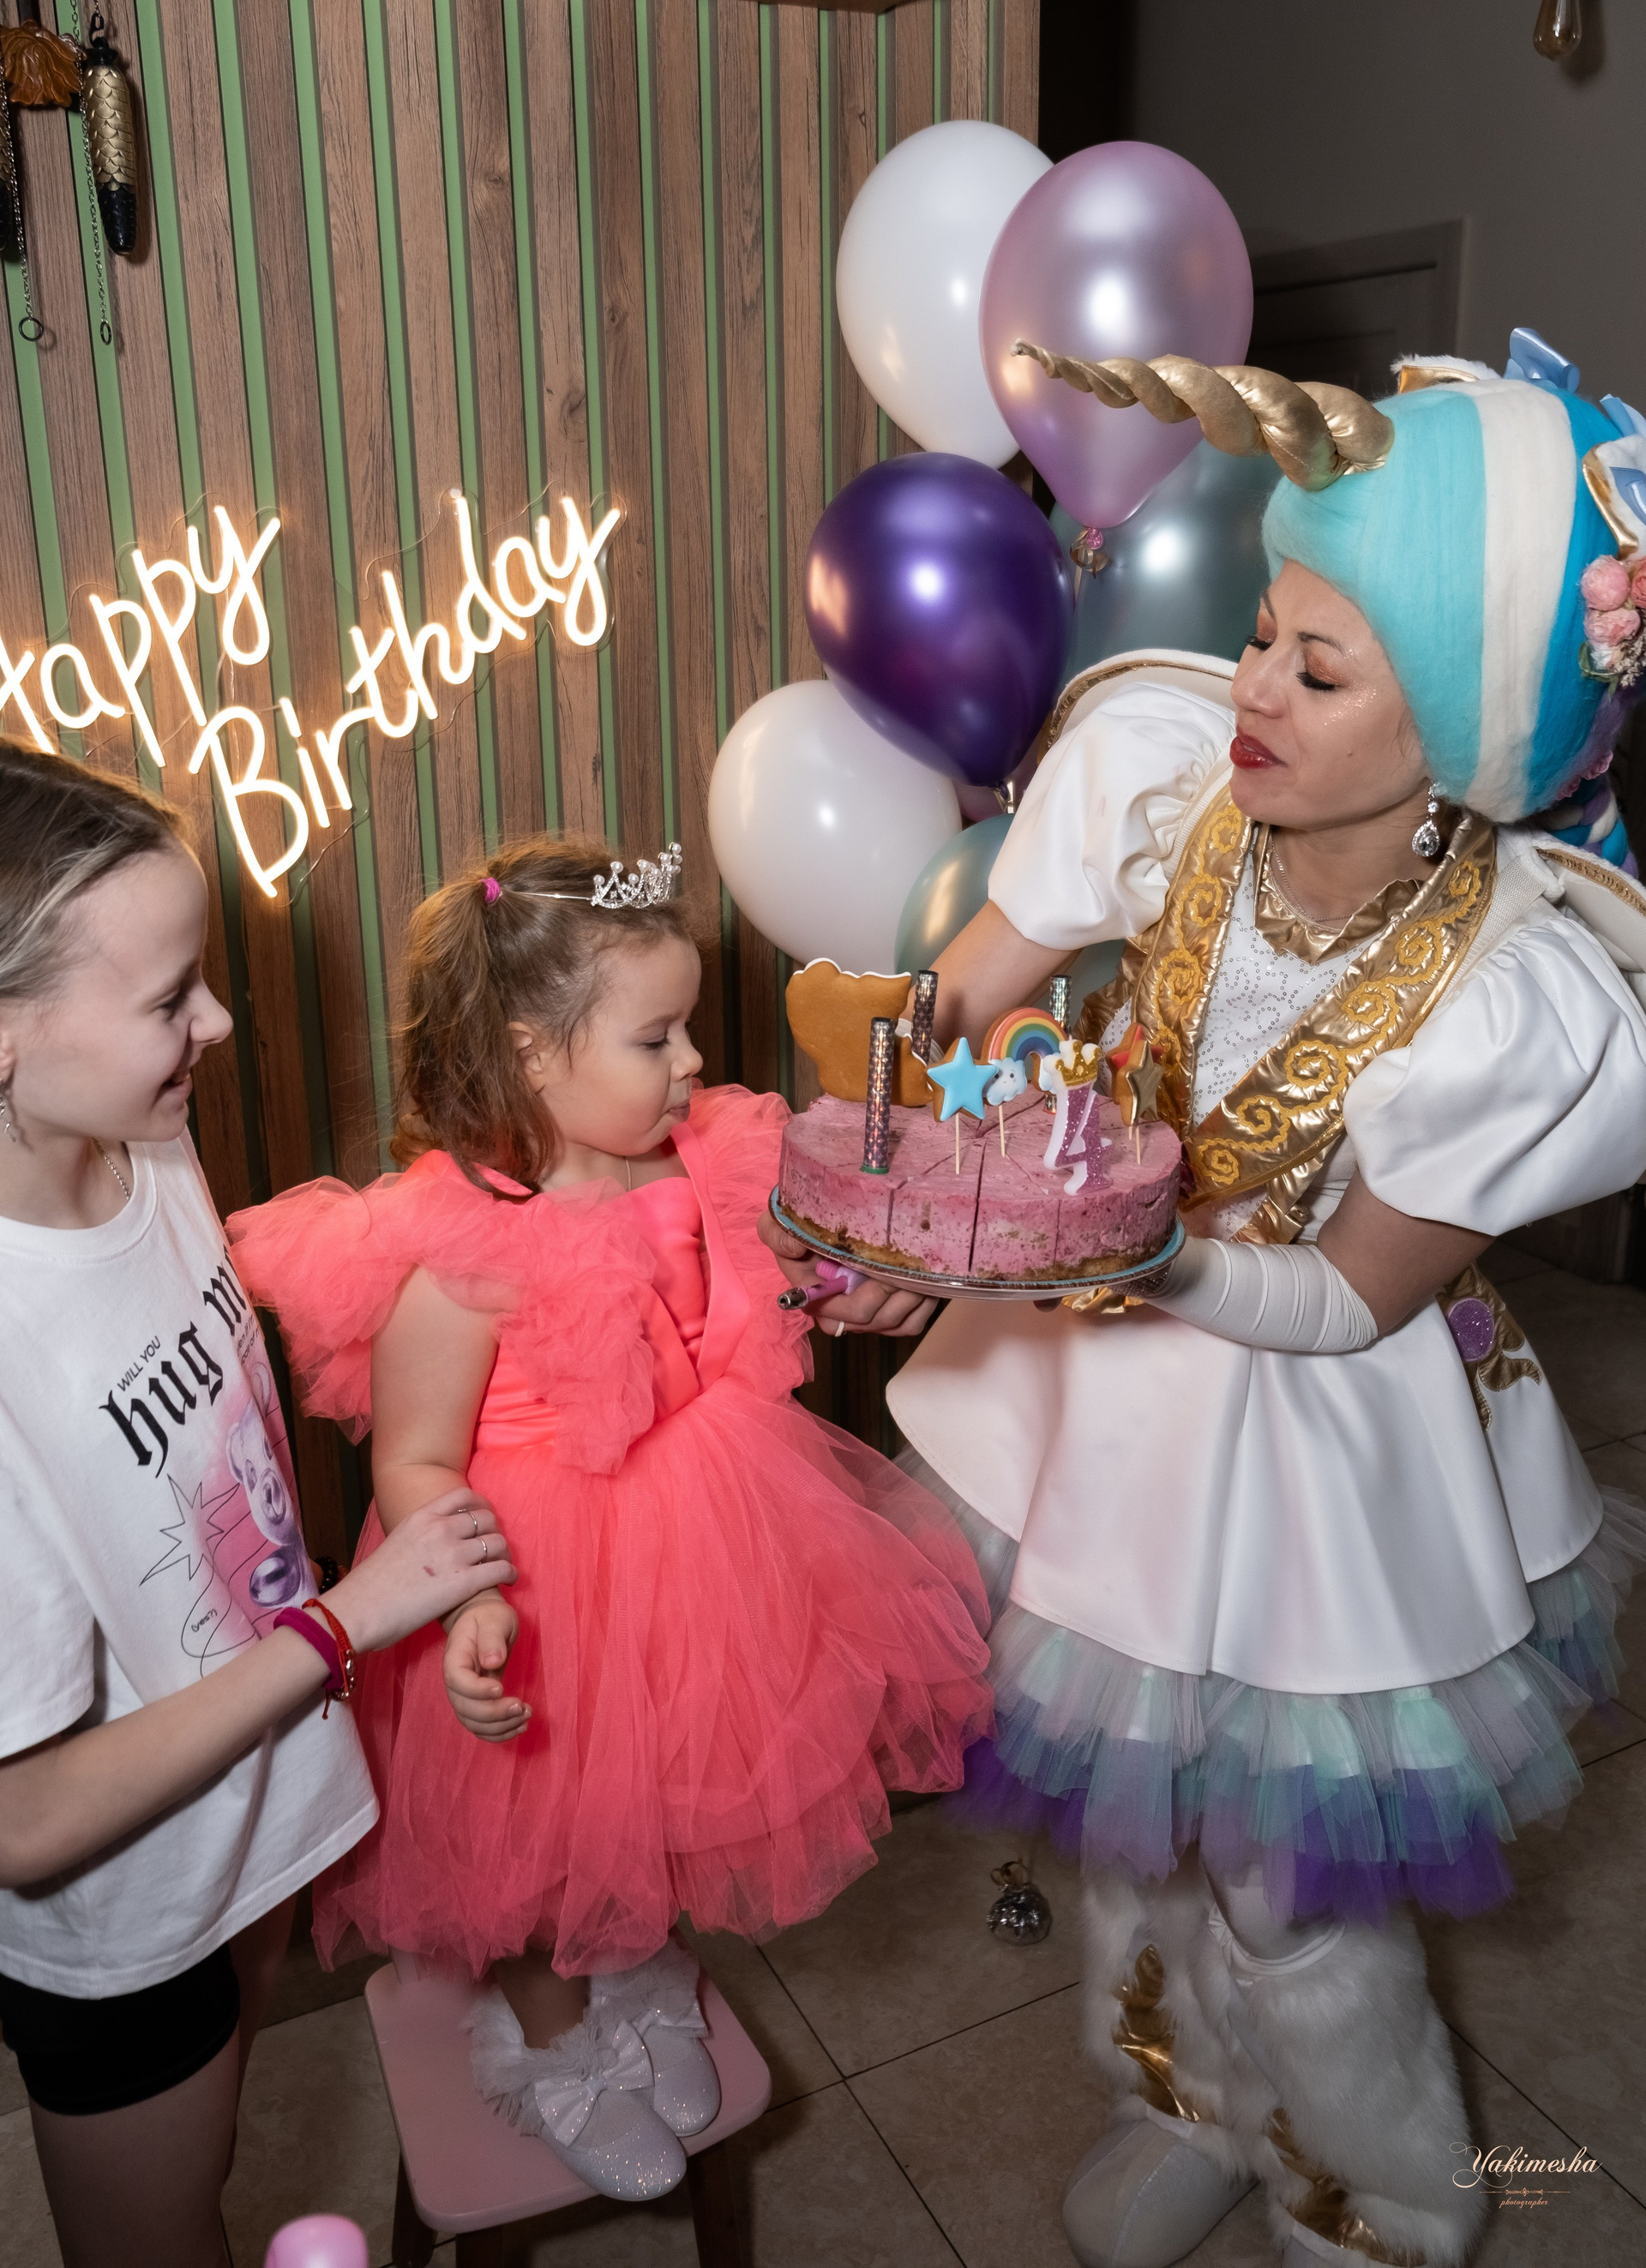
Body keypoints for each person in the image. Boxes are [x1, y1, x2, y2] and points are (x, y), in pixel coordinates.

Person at [766, 339, 1646, 2267]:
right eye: (1261, 632)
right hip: (1101, 1415)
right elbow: (953, 1011)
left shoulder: (1516, 994)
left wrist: (1131, 1249)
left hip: (1325, 1434)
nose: (1250, 687)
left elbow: (1351, 1299)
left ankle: (1381, 2194)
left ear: (1468, 729)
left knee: (1288, 1876)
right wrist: (888, 1169)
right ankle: (1184, 2099)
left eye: (1320, 671)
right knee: (1138, 1812)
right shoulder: (1166, 788)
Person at [228, 834, 991, 2204]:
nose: (695, 1060)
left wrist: (861, 1283)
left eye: (687, 1027)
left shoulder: (704, 1162)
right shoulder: (459, 1250)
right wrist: (470, 1596)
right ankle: (546, 2035)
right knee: (528, 1833)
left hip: (707, 1522)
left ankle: (631, 1964)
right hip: (528, 1573)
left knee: (658, 1789)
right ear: (531, 1055)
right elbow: (414, 1458)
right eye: (656, 1038)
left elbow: (775, 1293)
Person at [0, 741, 515, 2268]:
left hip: (259, 1796)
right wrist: (347, 1625)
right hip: (128, 1920)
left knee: (219, 2148)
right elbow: (26, 1821)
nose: (219, 1023)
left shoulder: (143, 1140)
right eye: (171, 999)